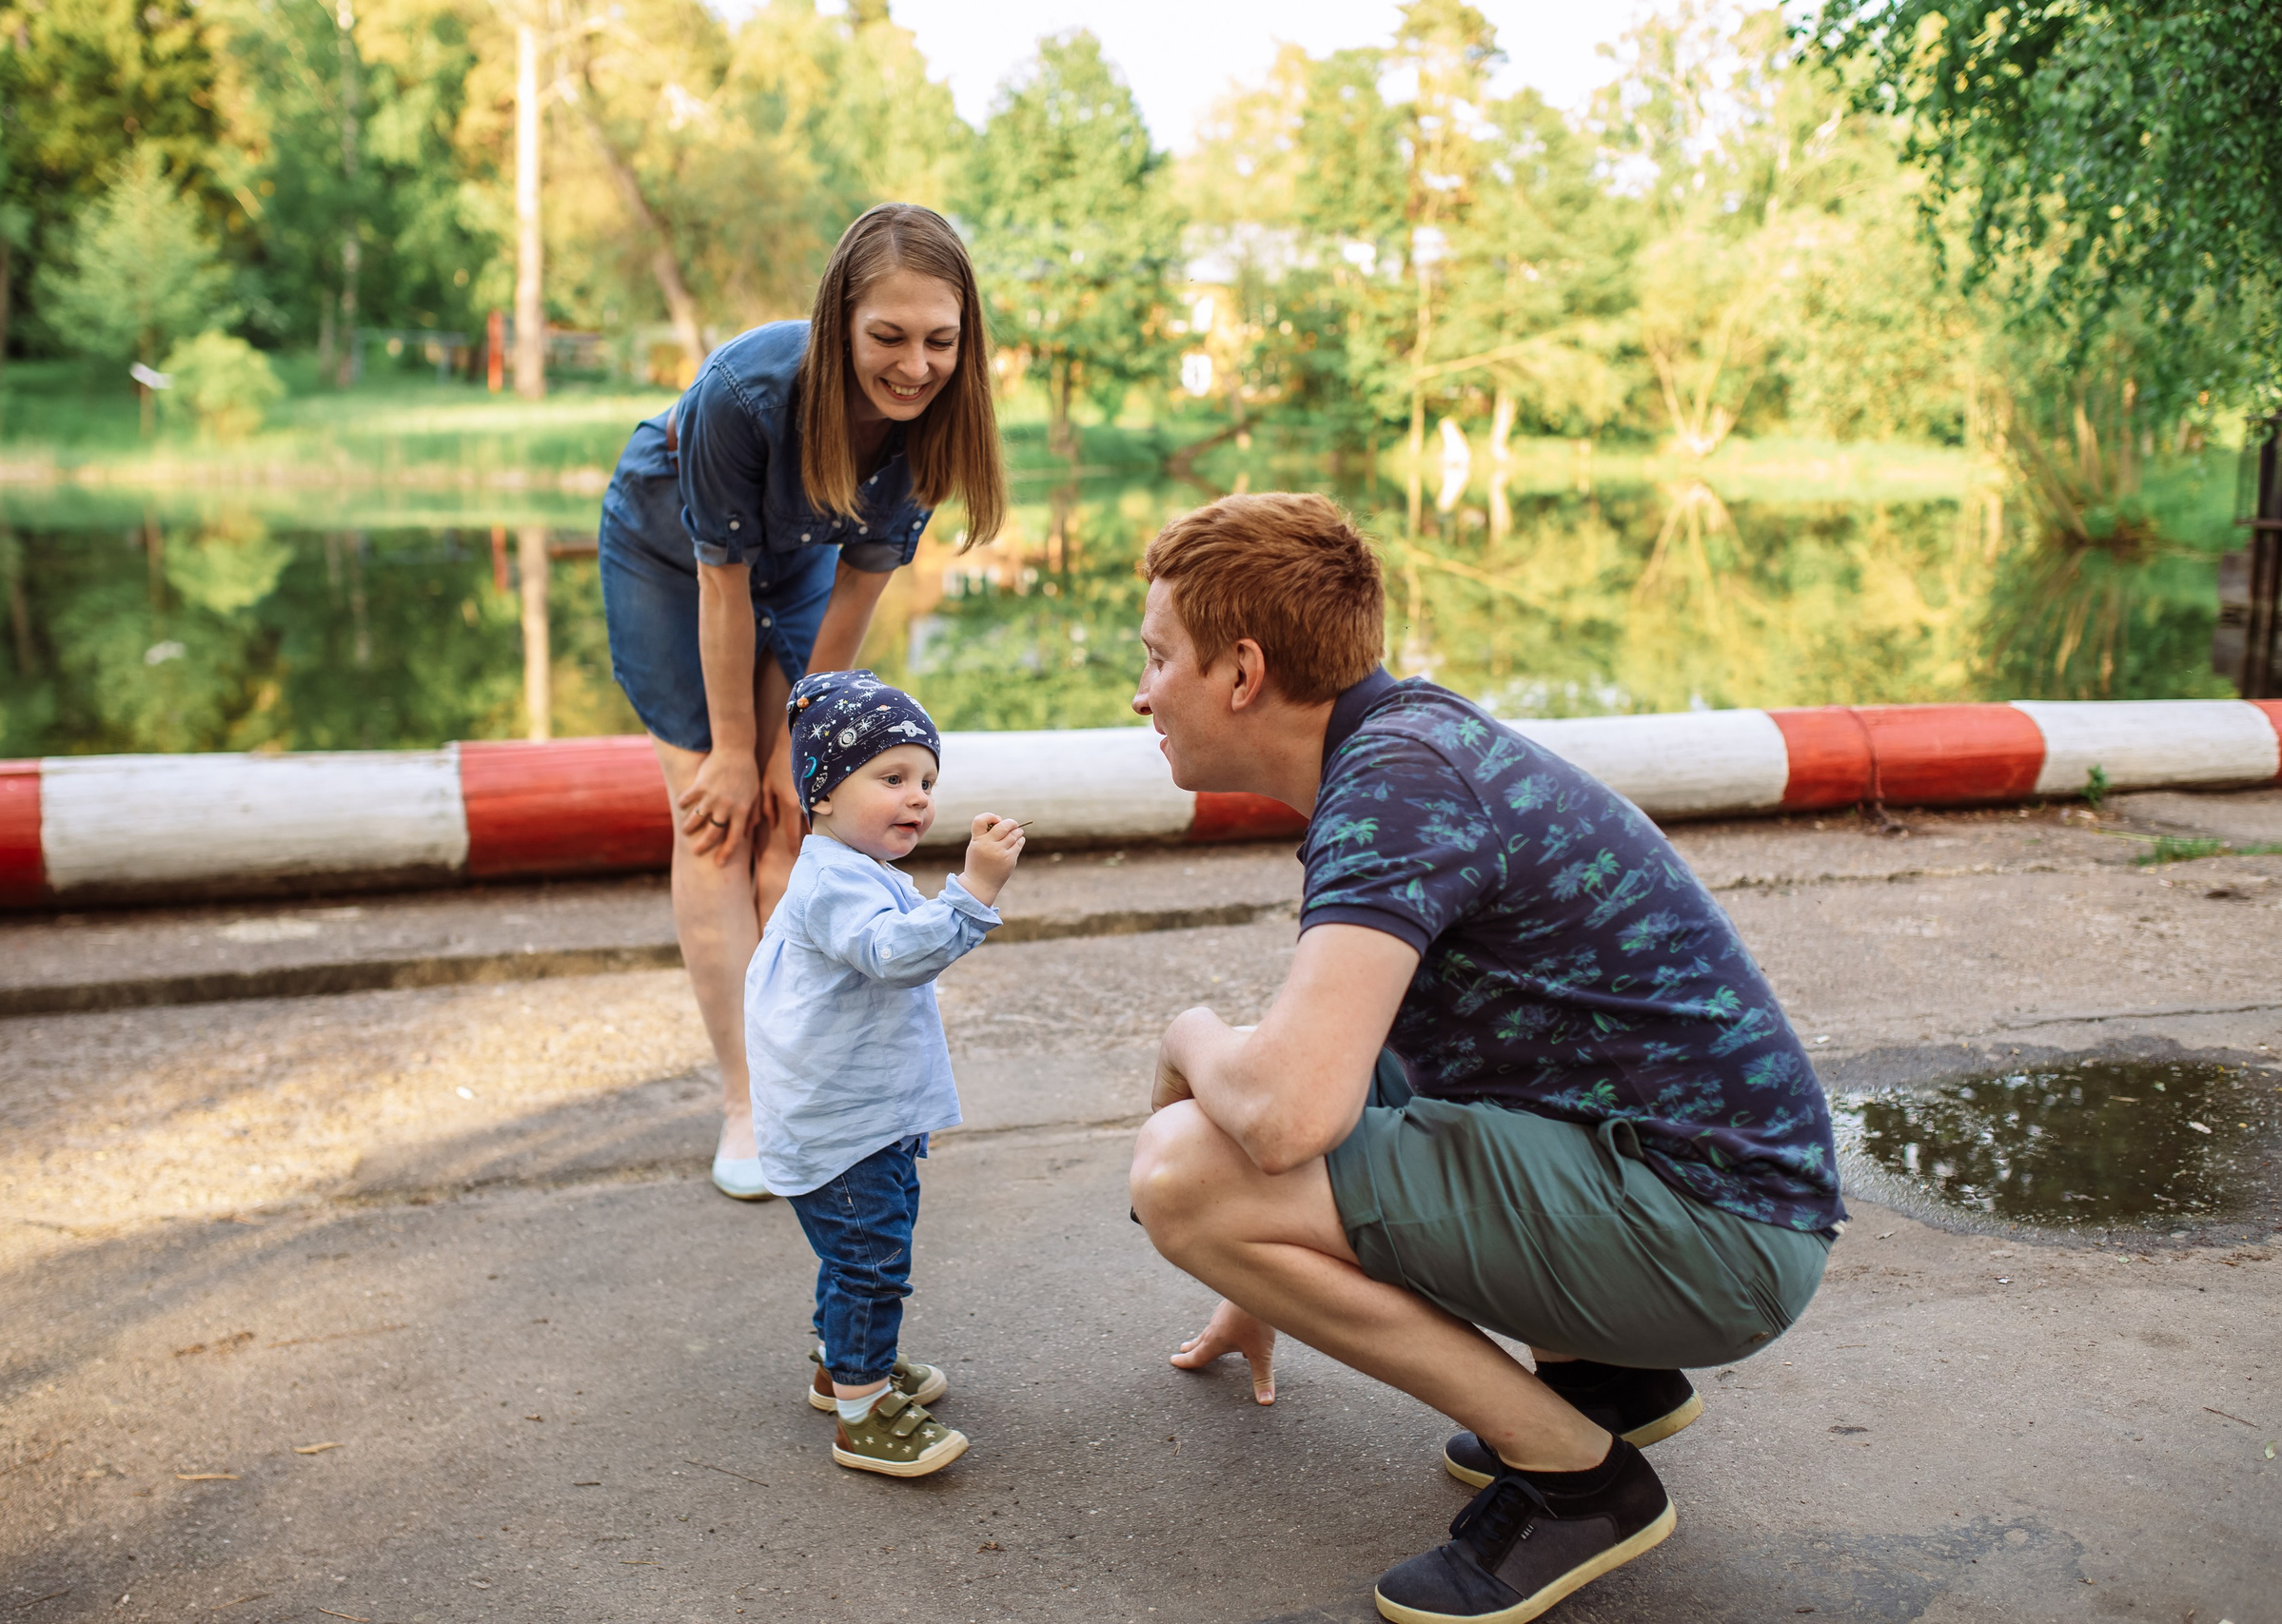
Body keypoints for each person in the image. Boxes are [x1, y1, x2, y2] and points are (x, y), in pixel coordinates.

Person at [1124, 494, 1842, 1624]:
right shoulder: (1404, 747)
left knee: (1183, 1173)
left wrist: (1184, 1036)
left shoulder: (1395, 786)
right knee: (1311, 1071)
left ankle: (1576, 1481)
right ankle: (1603, 1382)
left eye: (1159, 657)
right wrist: (1260, 1281)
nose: (1142, 692)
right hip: (1708, 1193)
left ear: (1242, 672)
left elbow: (1283, 1117)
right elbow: (1318, 1064)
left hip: (1719, 1238)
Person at [598, 204, 1005, 1199]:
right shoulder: (746, 391)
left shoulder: (930, 423)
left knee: (799, 814)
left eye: (940, 341)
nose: (916, 366)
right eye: (888, 336)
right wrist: (739, 752)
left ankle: (801, 1087)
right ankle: (748, 1102)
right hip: (674, 557)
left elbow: (859, 588)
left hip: (805, 555)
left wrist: (796, 753)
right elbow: (722, 584)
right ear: (838, 322)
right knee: (714, 817)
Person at [746, 669, 1027, 1476]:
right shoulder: (834, 881)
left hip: (866, 1115)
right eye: (893, 777)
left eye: (927, 781)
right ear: (823, 792)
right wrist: (974, 889)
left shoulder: (857, 870)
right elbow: (895, 954)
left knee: (866, 1245)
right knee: (871, 1259)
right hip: (840, 1123)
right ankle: (862, 1413)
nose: (918, 798)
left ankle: (844, 1361)